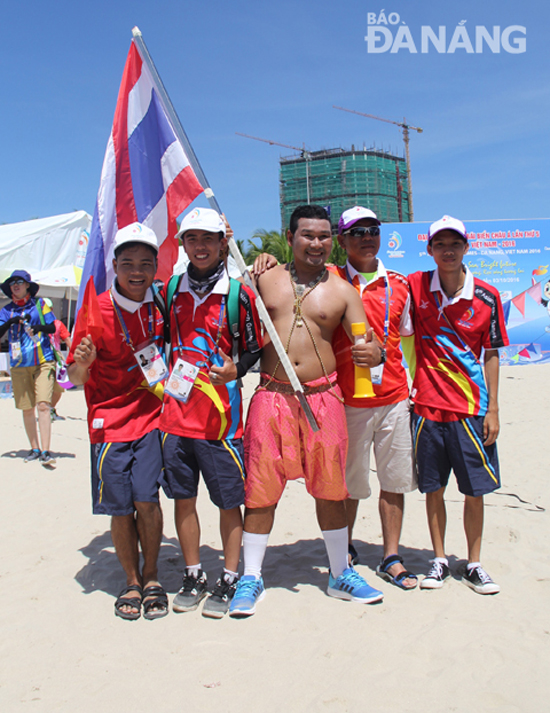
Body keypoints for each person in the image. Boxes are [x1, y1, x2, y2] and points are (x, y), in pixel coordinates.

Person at [229, 204, 384, 618]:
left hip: (323, 397)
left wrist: (374, 352)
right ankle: (252, 576)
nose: (316, 243)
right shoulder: (264, 278)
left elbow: (367, 343)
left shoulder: (343, 291)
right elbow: (229, 310)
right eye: (307, 235)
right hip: (271, 394)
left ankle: (339, 572)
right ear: (291, 236)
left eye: (323, 236)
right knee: (260, 489)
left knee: (332, 487)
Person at [160, 208, 262, 619]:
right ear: (182, 244)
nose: (200, 246)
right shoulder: (169, 289)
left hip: (222, 420)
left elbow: (256, 348)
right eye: (192, 238)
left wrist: (237, 369)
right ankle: (194, 573)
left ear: (223, 243)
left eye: (208, 238)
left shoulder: (240, 293)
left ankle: (230, 576)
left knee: (227, 503)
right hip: (175, 417)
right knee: (183, 500)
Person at [67, 223, 168, 620]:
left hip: (151, 417)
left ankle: (153, 575)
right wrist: (83, 364)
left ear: (156, 267)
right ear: (114, 265)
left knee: (148, 499)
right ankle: (130, 580)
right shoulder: (95, 310)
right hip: (107, 423)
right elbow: (75, 379)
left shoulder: (161, 304)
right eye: (128, 263)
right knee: (120, 506)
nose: (137, 271)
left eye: (145, 263)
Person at [408, 215, 509, 595]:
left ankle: (474, 562)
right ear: (430, 249)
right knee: (433, 487)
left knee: (474, 490)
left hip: (471, 409)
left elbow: (492, 354)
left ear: (466, 247)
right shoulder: (417, 286)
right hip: (426, 409)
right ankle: (438, 558)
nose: (447, 250)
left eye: (455, 244)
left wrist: (493, 409)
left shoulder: (487, 295)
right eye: (440, 244)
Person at [331, 206, 418, 589]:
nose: (367, 237)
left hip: (394, 397)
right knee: (348, 485)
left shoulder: (400, 284)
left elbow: (409, 343)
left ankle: (391, 555)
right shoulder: (329, 280)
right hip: (347, 400)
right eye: (357, 232)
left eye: (373, 230)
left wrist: (413, 388)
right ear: (342, 240)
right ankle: (346, 548)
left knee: (394, 481)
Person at [0, 270, 57, 466]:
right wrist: (10, 321)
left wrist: (39, 328)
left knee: (43, 405)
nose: (15, 285)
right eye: (12, 283)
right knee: (27, 408)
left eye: (20, 282)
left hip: (43, 361)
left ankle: (46, 450)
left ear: (27, 286)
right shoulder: (6, 310)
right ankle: (34, 448)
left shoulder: (40, 305)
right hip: (18, 364)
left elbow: (53, 327)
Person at [43, 298, 72, 421]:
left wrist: (73, 358)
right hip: (42, 357)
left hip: (57, 358)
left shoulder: (58, 324)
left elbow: (68, 341)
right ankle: (45, 410)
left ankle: (50, 408)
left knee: (60, 387)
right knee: (44, 386)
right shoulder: (36, 323)